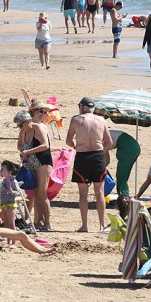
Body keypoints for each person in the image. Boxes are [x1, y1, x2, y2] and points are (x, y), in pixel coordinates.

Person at [66, 97, 112, 233]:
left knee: (83, 194)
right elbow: (108, 142)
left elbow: (68, 140)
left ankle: (85, 225)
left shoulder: (76, 119)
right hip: (98, 157)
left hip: (83, 156)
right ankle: (102, 225)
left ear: (81, 107)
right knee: (100, 193)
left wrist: (76, 146)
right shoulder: (101, 120)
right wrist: (100, 151)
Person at [15, 109, 52, 231]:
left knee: (42, 193)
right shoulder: (23, 132)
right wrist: (22, 152)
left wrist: (28, 152)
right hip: (31, 163)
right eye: (19, 125)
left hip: (43, 162)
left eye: (22, 124)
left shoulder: (37, 128)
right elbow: (19, 145)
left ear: (28, 120)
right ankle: (38, 221)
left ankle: (47, 223)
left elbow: (45, 145)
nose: (21, 127)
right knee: (35, 194)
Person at [108, 129, 140, 198]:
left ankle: (123, 196)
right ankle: (123, 194)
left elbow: (105, 157)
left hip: (128, 148)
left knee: (121, 174)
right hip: (133, 146)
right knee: (123, 174)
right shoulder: (103, 133)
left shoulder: (99, 137)